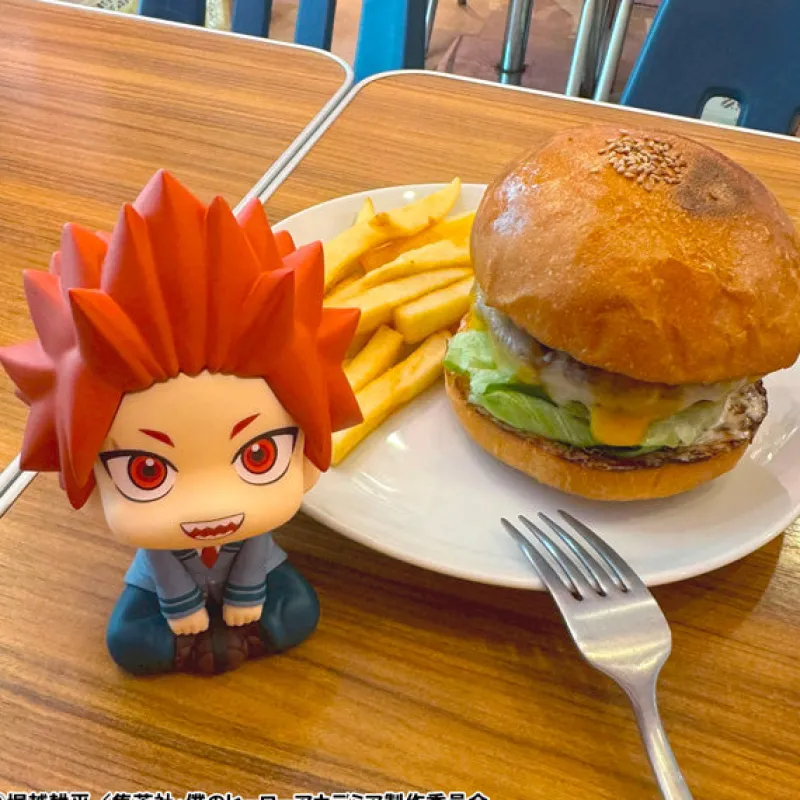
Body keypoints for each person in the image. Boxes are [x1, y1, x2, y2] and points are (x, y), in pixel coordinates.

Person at [0, 170, 361, 675]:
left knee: (299, 611)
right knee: (130, 643)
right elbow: (161, 560)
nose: (209, 507)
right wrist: (181, 607)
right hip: (164, 586)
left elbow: (256, 549)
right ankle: (210, 644)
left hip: (253, 572)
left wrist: (246, 592)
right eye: (146, 471)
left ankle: (221, 641)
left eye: (259, 456)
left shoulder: (255, 520)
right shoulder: (152, 529)